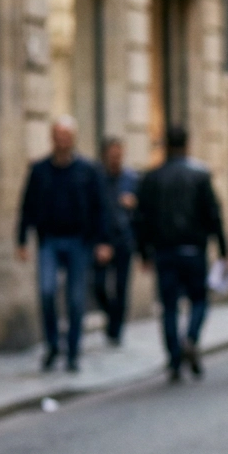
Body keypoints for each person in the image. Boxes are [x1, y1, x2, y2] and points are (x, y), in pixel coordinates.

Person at [16, 116, 112, 373]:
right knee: (47, 292)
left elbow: (100, 208)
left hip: (79, 241)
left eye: (66, 135)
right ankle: (52, 345)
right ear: (52, 138)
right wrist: (22, 239)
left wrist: (103, 241)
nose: (62, 140)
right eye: (58, 135)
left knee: (75, 299)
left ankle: (72, 351)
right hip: (49, 240)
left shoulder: (88, 170)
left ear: (73, 138)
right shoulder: (40, 170)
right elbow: (27, 205)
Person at [135, 126, 227, 382]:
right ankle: (191, 338)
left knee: (169, 306)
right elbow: (213, 214)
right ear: (187, 144)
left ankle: (175, 359)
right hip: (193, 250)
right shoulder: (199, 175)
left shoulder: (152, 177)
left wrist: (143, 252)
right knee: (199, 299)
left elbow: (141, 218)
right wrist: (222, 250)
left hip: (164, 251)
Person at [93, 137, 138, 346]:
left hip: (124, 240)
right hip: (102, 240)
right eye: (112, 155)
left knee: (121, 287)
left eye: (119, 155)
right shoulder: (97, 179)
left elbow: (143, 211)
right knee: (98, 285)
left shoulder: (132, 179)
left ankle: (116, 329)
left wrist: (134, 204)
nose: (116, 159)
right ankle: (112, 316)